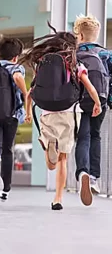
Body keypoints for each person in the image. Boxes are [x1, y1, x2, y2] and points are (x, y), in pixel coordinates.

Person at [22, 23, 101, 210]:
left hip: (47, 112)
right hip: (69, 112)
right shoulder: (75, 63)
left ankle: (49, 149)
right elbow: (89, 86)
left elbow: (30, 93)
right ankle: (59, 198)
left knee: (51, 163)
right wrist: (97, 103)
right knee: (63, 159)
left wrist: (27, 112)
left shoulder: (42, 63)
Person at [0, 37, 30, 202]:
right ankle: (5, 190)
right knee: (7, 150)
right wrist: (26, 93)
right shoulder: (17, 68)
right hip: (11, 115)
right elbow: (17, 78)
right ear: (16, 56)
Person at [73, 14, 111, 206]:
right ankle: (94, 177)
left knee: (83, 136)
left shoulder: (73, 55)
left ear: (79, 35)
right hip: (100, 102)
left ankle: (82, 172)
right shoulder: (105, 54)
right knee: (95, 136)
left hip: (78, 102)